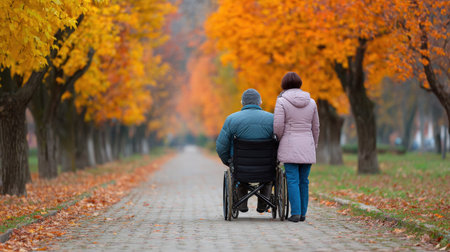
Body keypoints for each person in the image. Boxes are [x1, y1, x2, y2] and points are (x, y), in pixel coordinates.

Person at [216, 88, 274, 213]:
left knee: (237, 173)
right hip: (266, 167)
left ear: (242, 102)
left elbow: (221, 147)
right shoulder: (272, 119)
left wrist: (229, 162)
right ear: (260, 102)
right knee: (270, 177)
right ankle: (263, 205)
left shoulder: (231, 119)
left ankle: (241, 204)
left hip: (241, 166)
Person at [274, 72, 319, 222]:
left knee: (292, 180)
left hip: (290, 144)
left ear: (284, 85)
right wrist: (314, 144)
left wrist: (279, 140)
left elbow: (278, 126)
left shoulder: (281, 101)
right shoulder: (312, 102)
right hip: (307, 144)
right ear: (300, 83)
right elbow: (316, 127)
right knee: (304, 180)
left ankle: (296, 213)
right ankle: (303, 214)